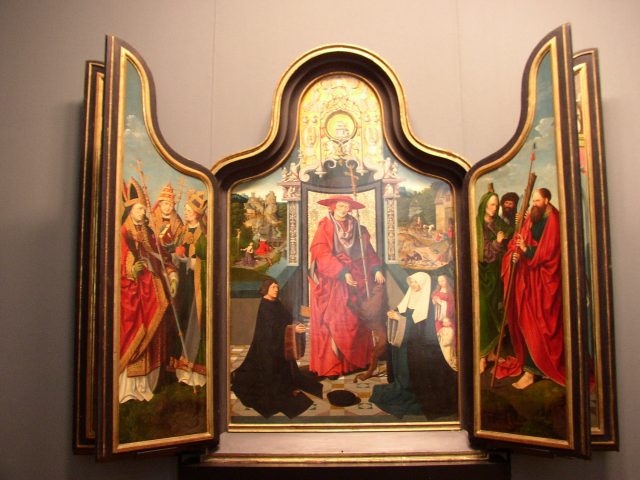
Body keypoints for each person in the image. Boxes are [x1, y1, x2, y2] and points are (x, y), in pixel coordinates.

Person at [308, 195, 385, 378]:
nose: (344, 209)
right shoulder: (325, 226)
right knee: (335, 321)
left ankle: (355, 363)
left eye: (347, 206)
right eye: (340, 206)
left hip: (357, 279)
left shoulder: (357, 227)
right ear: (333, 207)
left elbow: (368, 252)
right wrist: (343, 273)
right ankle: (333, 367)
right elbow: (322, 254)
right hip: (333, 281)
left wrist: (376, 269)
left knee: (357, 321)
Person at [497, 188, 565, 389]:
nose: (534, 204)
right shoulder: (534, 216)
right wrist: (516, 253)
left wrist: (527, 250)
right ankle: (530, 369)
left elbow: (550, 252)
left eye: (537, 201)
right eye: (533, 201)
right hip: (530, 279)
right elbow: (520, 239)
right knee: (528, 322)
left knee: (542, 325)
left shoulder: (553, 219)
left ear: (547, 200)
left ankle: (537, 370)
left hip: (545, 282)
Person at [119, 179, 178, 402]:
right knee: (135, 335)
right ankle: (129, 390)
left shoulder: (148, 233)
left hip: (152, 296)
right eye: (139, 209)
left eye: (144, 209)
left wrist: (172, 275)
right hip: (133, 297)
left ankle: (148, 386)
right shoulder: (122, 232)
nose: (143, 212)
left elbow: (162, 256)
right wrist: (130, 269)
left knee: (153, 339)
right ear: (130, 211)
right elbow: (118, 262)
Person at [231, 278, 322, 418]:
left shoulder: (277, 303)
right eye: (273, 287)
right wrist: (292, 329)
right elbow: (270, 332)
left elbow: (286, 318)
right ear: (266, 289)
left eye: (277, 287)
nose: (276, 289)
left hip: (278, 347)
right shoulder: (265, 306)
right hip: (267, 350)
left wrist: (295, 324)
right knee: (270, 386)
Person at [170, 190, 208, 387]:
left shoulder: (204, 233)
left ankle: (196, 372)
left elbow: (207, 259)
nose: (185, 212)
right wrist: (177, 258)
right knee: (182, 321)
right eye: (184, 209)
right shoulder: (184, 231)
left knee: (195, 324)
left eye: (188, 210)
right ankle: (182, 370)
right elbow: (176, 253)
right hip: (184, 286)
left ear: (197, 213)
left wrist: (191, 262)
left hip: (198, 287)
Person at [476, 191, 511, 373]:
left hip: (496, 276)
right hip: (482, 276)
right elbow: (484, 253)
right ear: (484, 205)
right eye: (491, 204)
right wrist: (498, 242)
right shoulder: (477, 225)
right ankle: (482, 357)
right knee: (484, 314)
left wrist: (520, 220)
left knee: (496, 314)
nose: (494, 208)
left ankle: (491, 354)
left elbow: (511, 231)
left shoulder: (498, 222)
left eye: (496, 205)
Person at [432, 275, 457, 370]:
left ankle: (451, 362)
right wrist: (435, 300)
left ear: (447, 280)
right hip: (438, 320)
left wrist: (441, 303)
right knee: (440, 340)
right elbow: (433, 301)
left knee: (449, 344)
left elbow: (452, 306)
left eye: (442, 280)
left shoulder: (450, 293)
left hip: (447, 320)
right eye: (439, 281)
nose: (441, 282)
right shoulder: (436, 292)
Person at [153, 182, 184, 252]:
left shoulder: (177, 221)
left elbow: (180, 238)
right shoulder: (153, 218)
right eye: (166, 204)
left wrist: (174, 244)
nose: (167, 207)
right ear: (160, 204)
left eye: (170, 205)